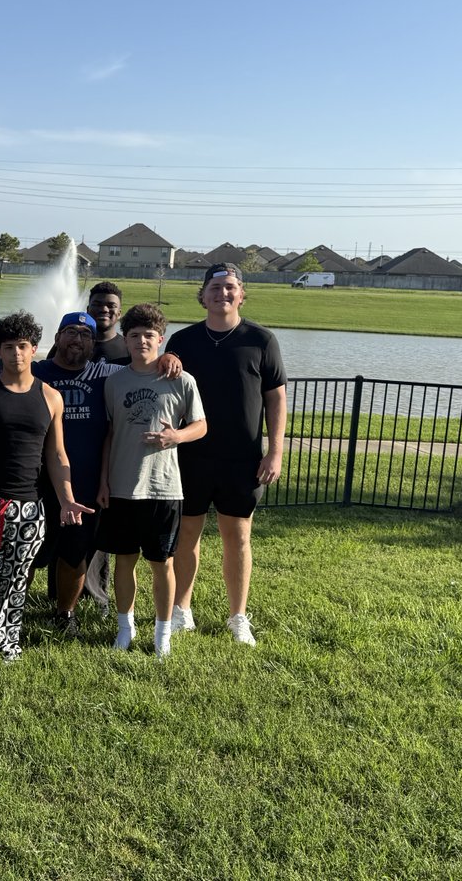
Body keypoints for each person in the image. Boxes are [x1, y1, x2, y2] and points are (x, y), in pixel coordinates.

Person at [0, 311, 92, 667]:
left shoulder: (51, 397)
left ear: (35, 349)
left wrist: (67, 499)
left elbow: (56, 454)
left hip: (30, 508)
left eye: (23, 346)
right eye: (8, 347)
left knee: (16, 579)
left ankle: (7, 643)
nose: (16, 354)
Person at [166, 263, 287, 646]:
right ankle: (182, 610)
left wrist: (275, 452)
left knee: (238, 538)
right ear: (203, 295)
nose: (223, 294)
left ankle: (238, 616)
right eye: (215, 288)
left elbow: (276, 399)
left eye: (230, 287)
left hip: (242, 459)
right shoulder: (182, 341)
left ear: (242, 293)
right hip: (191, 457)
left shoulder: (261, 340)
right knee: (187, 535)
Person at [97, 304, 206, 658]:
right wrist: (103, 482)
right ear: (125, 340)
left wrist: (176, 437)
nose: (142, 341)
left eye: (149, 336)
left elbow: (201, 426)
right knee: (124, 560)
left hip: (163, 487)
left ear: (160, 340)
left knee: (162, 563)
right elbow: (110, 434)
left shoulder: (181, 380)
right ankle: (125, 627)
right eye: (134, 336)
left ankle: (162, 633)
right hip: (122, 487)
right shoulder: (114, 382)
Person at [31, 312, 121, 635]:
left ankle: (64, 616)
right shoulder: (36, 371)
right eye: (70, 331)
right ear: (57, 337)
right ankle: (12, 608)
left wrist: (169, 358)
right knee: (28, 551)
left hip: (84, 485)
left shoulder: (105, 374)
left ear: (94, 344)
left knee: (75, 551)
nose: (77, 339)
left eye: (85, 334)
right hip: (36, 482)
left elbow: (146, 368)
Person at [87, 281, 128, 363]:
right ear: (88, 310)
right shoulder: (73, 344)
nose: (104, 310)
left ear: (119, 314)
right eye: (97, 305)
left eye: (111, 306)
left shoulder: (130, 347)